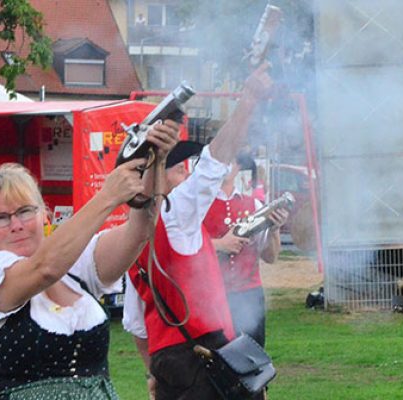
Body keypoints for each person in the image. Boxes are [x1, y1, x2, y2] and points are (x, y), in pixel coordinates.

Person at [0, 121, 179, 399]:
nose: (16, 224)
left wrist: (152, 161)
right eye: (1, 218)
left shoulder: (76, 264)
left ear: (44, 215)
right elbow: (44, 270)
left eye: (25, 211)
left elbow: (140, 231)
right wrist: (108, 194)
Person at [122, 63, 273, 400]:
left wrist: (154, 373)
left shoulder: (126, 238)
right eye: (178, 168)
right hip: (207, 362)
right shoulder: (177, 213)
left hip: (168, 366)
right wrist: (248, 100)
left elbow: (136, 324)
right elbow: (215, 161)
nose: (186, 175)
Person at [204, 153, 288, 348]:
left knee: (253, 357)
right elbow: (186, 250)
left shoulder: (253, 205)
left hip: (249, 294)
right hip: (212, 295)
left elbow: (271, 256)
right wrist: (220, 245)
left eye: (229, 161)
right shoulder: (198, 208)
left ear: (238, 166)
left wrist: (274, 229)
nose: (224, 167)